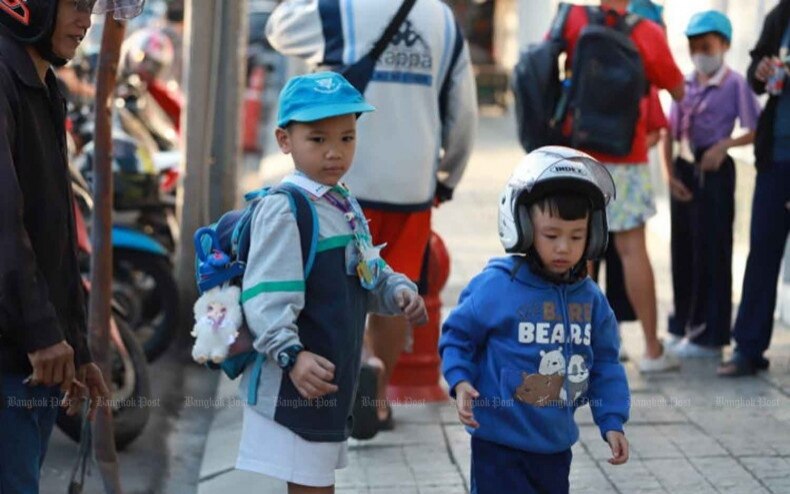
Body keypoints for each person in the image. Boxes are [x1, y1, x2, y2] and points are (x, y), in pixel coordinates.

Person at [266, 0, 477, 431]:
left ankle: (349, 379)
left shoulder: (339, 8)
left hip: (341, 182)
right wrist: (447, 176)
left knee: (338, 290)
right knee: (395, 294)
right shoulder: (442, 19)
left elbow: (277, 28)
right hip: (412, 183)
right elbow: (464, 111)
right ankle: (377, 398)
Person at [235, 72, 428, 493]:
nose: (334, 152)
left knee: (315, 484)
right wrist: (292, 356)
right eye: (318, 139)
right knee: (311, 486)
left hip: (327, 379)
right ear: (285, 141)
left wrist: (396, 291)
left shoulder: (341, 200)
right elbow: (266, 297)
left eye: (346, 138)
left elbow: (364, 268)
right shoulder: (286, 210)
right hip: (299, 380)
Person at [0, 0, 141, 491]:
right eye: (78, 4)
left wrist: (77, 350)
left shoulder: (44, 86)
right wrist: (42, 334)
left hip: (35, 363)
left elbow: (54, 236)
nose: (87, 20)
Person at [439, 146, 630, 494]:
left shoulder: (590, 299)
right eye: (551, 235)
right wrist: (460, 379)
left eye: (576, 236)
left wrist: (612, 419)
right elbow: (457, 335)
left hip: (555, 448)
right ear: (523, 227)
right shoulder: (498, 285)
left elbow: (605, 363)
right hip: (498, 445)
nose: (563, 248)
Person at [558, 0, 685, 372]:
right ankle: (651, 349)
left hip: (579, 155)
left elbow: (543, 64)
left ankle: (577, 349)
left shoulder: (574, 19)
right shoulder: (647, 31)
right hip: (626, 157)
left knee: (579, 252)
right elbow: (677, 89)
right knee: (632, 252)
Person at [660, 11, 761, 360]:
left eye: (706, 45)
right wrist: (669, 176)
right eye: (694, 47)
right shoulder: (684, 84)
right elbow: (667, 132)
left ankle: (711, 333)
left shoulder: (735, 84)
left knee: (713, 251)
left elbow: (755, 128)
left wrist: (724, 146)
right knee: (683, 250)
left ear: (724, 45)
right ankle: (683, 324)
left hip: (715, 170)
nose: (700, 53)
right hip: (683, 170)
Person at [718, 0, 790, 377]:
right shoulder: (782, 13)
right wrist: (761, 69)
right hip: (776, 156)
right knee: (762, 249)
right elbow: (755, 76)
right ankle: (747, 348)